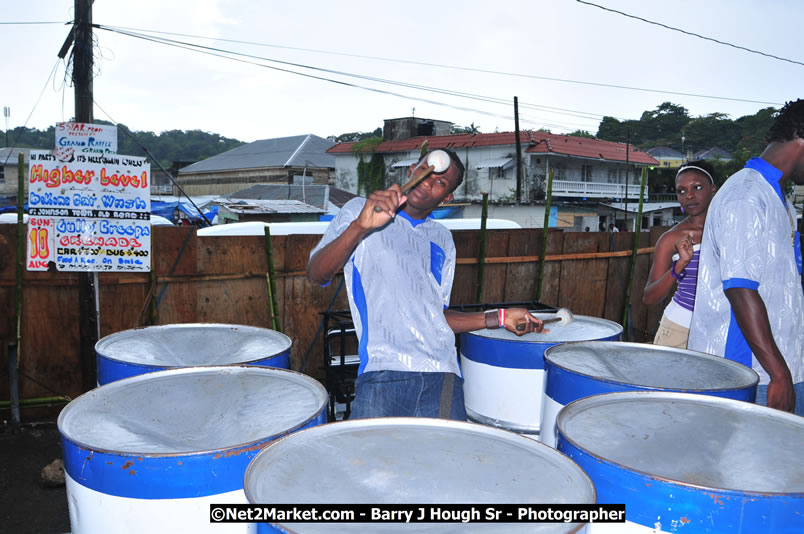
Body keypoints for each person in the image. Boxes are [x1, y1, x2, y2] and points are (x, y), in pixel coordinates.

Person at [307, 149, 545, 420]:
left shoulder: (442, 238)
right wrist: (360, 226)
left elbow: (437, 317)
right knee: (371, 450)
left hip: (442, 374)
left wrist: (501, 317)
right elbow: (316, 274)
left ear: (447, 197)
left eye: (441, 182)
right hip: (383, 371)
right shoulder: (360, 210)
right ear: (412, 170)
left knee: (449, 450)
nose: (428, 181)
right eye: (426, 170)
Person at [688, 99, 804, 415]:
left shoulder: (779, 199)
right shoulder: (745, 197)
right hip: (751, 374)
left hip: (785, 366)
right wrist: (779, 374)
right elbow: (741, 289)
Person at [643, 160, 717, 349]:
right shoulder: (671, 239)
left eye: (697, 187)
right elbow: (649, 298)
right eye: (681, 191)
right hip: (680, 329)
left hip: (720, 328)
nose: (689, 195)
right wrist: (679, 266)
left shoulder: (730, 231)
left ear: (713, 189)